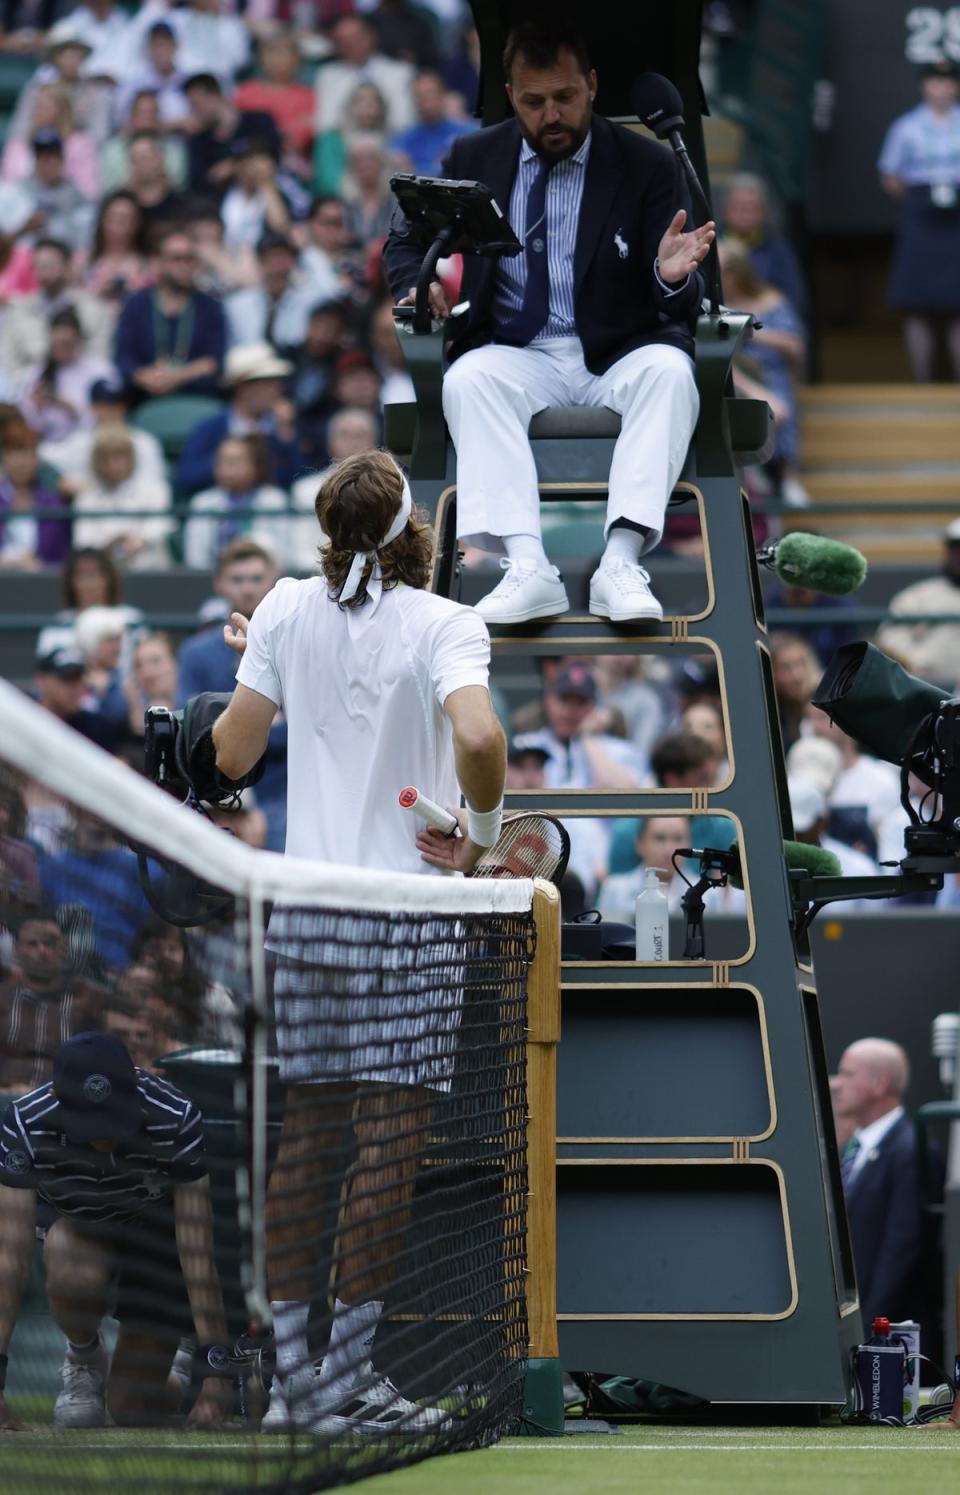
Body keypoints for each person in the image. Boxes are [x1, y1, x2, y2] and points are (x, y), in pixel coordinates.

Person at [210, 447, 504, 1432]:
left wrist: (266, 655)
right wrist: (485, 833)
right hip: (409, 920)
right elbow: (484, 739)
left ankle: (297, 1390)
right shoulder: (449, 621)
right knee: (387, 1145)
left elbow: (233, 754)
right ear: (414, 530)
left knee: (311, 1139)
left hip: (308, 918)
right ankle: (343, 1377)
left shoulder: (286, 610)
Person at [384, 19, 712, 625]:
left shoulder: (647, 164)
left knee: (671, 372)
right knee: (467, 380)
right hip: (517, 348)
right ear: (512, 97)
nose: (551, 114)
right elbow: (405, 242)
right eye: (534, 102)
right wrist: (418, 281)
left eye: (564, 97)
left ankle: (620, 561)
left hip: (620, 348)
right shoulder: (473, 156)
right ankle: (528, 566)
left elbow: (682, 302)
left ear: (590, 86)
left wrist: (669, 276)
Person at [0, 1032, 231, 1430]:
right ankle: (85, 1358)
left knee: (131, 1409)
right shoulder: (25, 1123)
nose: (106, 1143)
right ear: (57, 1096)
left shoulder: (175, 1117)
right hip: (78, 1231)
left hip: (154, 1244)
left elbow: (196, 1246)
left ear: (136, 1085)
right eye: (92, 1127)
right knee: (70, 1258)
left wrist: (216, 1374)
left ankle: (179, 1357)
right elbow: (10, 1258)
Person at [833, 1038, 928, 1334]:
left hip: (884, 1336)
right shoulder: (852, 1147)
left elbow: (901, 1248)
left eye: (848, 1074)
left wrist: (866, 1329)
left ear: (880, 1085)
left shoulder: (910, 1151)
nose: (837, 1084)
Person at [878, 60, 960, 382]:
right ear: (925, 86)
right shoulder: (906, 126)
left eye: (948, 81)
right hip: (920, 210)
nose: (942, 88)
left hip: (957, 210)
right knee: (915, 301)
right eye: (935, 82)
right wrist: (919, 198)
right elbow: (890, 175)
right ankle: (921, 380)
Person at [719, 238, 808, 507]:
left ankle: (788, 477)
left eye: (722, 271)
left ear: (736, 273)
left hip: (770, 371)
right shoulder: (710, 303)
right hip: (730, 371)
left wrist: (751, 333)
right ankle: (754, 473)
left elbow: (795, 347)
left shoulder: (771, 301)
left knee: (780, 395)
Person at [113, 226, 227, 401]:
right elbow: (124, 358)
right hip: (144, 401)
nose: (184, 266)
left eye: (190, 259)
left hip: (197, 401)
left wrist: (177, 376)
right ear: (159, 262)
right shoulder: (136, 304)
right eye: (176, 259)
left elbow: (215, 361)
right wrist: (147, 377)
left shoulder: (209, 306)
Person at [176, 341, 302, 497]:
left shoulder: (280, 428)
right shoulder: (210, 427)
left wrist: (287, 440)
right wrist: (229, 462)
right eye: (267, 384)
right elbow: (186, 477)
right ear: (243, 388)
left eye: (276, 384)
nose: (275, 392)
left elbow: (297, 481)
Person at [0, 912, 98, 1095]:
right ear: (17, 951)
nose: (42, 951)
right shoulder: (3, 997)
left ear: (64, 949)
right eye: (32, 944)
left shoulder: (86, 999)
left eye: (50, 944)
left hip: (65, 1100)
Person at [513, 662, 646, 789]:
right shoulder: (524, 745)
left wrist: (587, 737)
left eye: (580, 703)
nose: (570, 711)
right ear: (548, 701)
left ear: (594, 706)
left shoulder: (619, 750)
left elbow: (625, 796)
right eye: (564, 700)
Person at [176, 536, 278, 702]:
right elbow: (189, 717)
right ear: (219, 583)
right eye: (237, 580)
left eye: (256, 579)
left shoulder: (288, 645)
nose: (247, 589)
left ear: (273, 581)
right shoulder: (195, 652)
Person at [184, 434, 292, 571]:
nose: (227, 468)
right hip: (214, 581)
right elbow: (196, 559)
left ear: (255, 465)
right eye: (222, 461)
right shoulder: (202, 502)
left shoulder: (274, 500)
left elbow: (284, 554)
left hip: (267, 582)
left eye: (235, 461)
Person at [876, 517, 960, 687]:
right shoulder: (917, 596)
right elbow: (890, 638)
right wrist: (918, 662)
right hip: (929, 692)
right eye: (956, 549)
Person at [719, 171, 806, 314]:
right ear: (724, 210)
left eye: (751, 208)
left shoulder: (779, 248)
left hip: (768, 321)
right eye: (738, 207)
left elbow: (793, 295)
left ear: (763, 212)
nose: (744, 214)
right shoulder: (711, 245)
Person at [315, 14, 416, 135]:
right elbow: (326, 123)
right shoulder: (328, 75)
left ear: (372, 37)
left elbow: (405, 121)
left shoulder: (401, 73)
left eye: (355, 38)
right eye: (343, 41)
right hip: (345, 147)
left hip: (392, 144)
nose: (351, 45)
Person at [226, 231, 317, 355]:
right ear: (260, 263)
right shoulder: (237, 305)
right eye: (270, 258)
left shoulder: (310, 303)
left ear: (293, 262)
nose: (276, 266)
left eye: (282, 258)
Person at [0, 420, 71, 570]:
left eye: (27, 455)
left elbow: (61, 555)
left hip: (41, 583)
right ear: (4, 458)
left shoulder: (55, 503)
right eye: (14, 454)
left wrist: (40, 565)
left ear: (37, 460)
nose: (21, 463)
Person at [19, 128, 95, 253]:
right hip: (26, 257)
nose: (46, 162)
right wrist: (24, 228)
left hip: (63, 256)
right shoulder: (19, 191)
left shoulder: (76, 195)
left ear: (61, 160)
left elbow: (83, 238)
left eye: (51, 156)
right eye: (41, 157)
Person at [390, 68, 474, 177]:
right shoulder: (401, 140)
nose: (427, 102)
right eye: (420, 96)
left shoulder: (468, 134)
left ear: (443, 95)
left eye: (431, 94)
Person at [82, 191, 154, 305]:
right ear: (103, 221)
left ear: (138, 223)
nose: (121, 225)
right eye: (115, 218)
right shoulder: (84, 261)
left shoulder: (149, 265)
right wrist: (98, 292)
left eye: (128, 219)